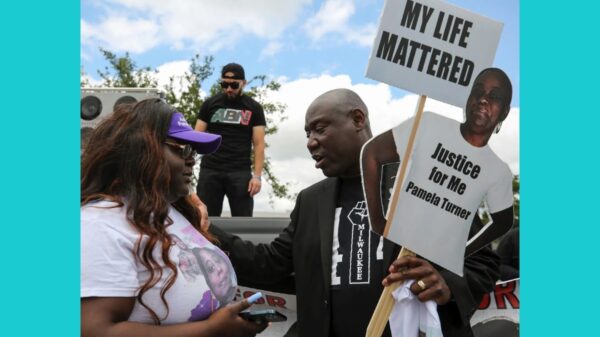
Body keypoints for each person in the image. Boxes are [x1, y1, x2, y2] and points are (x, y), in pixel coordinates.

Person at [209, 88, 500, 337]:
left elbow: (482, 262)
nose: (311, 142)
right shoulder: (310, 201)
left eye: (320, 129)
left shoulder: (426, 183)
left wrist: (445, 284)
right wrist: (203, 230)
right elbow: (269, 265)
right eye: (308, 134)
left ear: (357, 119)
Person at [81, 99, 267, 337]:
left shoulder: (171, 213)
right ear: (141, 150)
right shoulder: (99, 225)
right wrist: (211, 330)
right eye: (182, 148)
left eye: (193, 151)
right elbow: (96, 331)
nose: (192, 160)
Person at [361, 67, 514, 259]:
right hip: (388, 251)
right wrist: (377, 221)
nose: (483, 99)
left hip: (430, 272)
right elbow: (371, 153)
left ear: (505, 113)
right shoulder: (429, 125)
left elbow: (503, 222)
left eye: (495, 96)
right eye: (478, 91)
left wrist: (461, 253)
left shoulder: (498, 171)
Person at [195, 62, 266, 217]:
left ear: (243, 83)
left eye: (234, 85)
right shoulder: (210, 104)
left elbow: (259, 144)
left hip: (239, 172)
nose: (229, 89)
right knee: (205, 219)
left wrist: (257, 177)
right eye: (224, 84)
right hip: (210, 170)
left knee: (243, 221)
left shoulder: (254, 108)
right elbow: (196, 137)